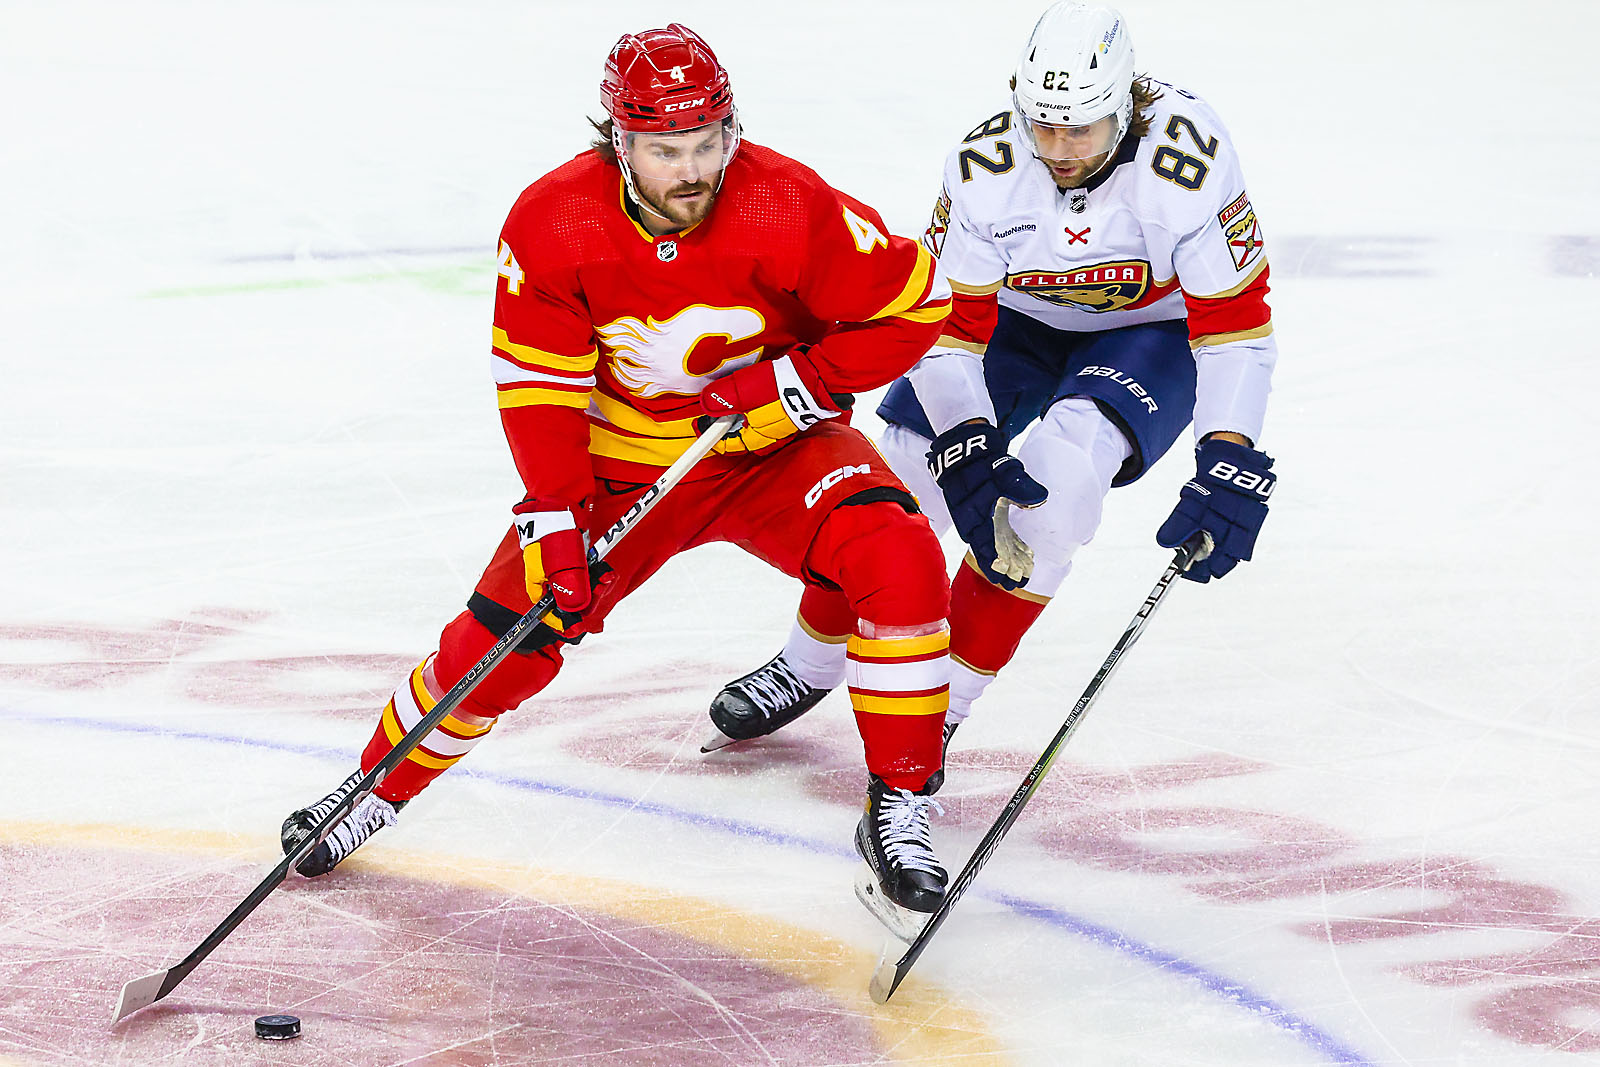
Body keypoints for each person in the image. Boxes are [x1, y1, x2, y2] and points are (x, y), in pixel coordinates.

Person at [280, 24, 958, 927]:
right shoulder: (555, 222)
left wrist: (801, 383)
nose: (693, 170)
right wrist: (555, 514)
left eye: (709, 142)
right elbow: (539, 390)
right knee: (510, 635)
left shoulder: (787, 202)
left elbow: (918, 303)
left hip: (773, 448)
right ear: (619, 141)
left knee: (899, 555)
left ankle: (899, 803)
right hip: (621, 470)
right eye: (666, 150)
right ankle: (374, 787)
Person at [704, 1, 1279, 776]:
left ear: (1126, 108)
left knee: (1058, 488)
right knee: (904, 475)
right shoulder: (985, 169)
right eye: (1043, 127)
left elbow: (1236, 325)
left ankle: (940, 709)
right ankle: (809, 661)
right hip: (1013, 318)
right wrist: (966, 439)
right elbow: (946, 329)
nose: (1059, 150)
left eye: (1081, 130)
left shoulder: (1190, 163)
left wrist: (1228, 453)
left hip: (1151, 330)